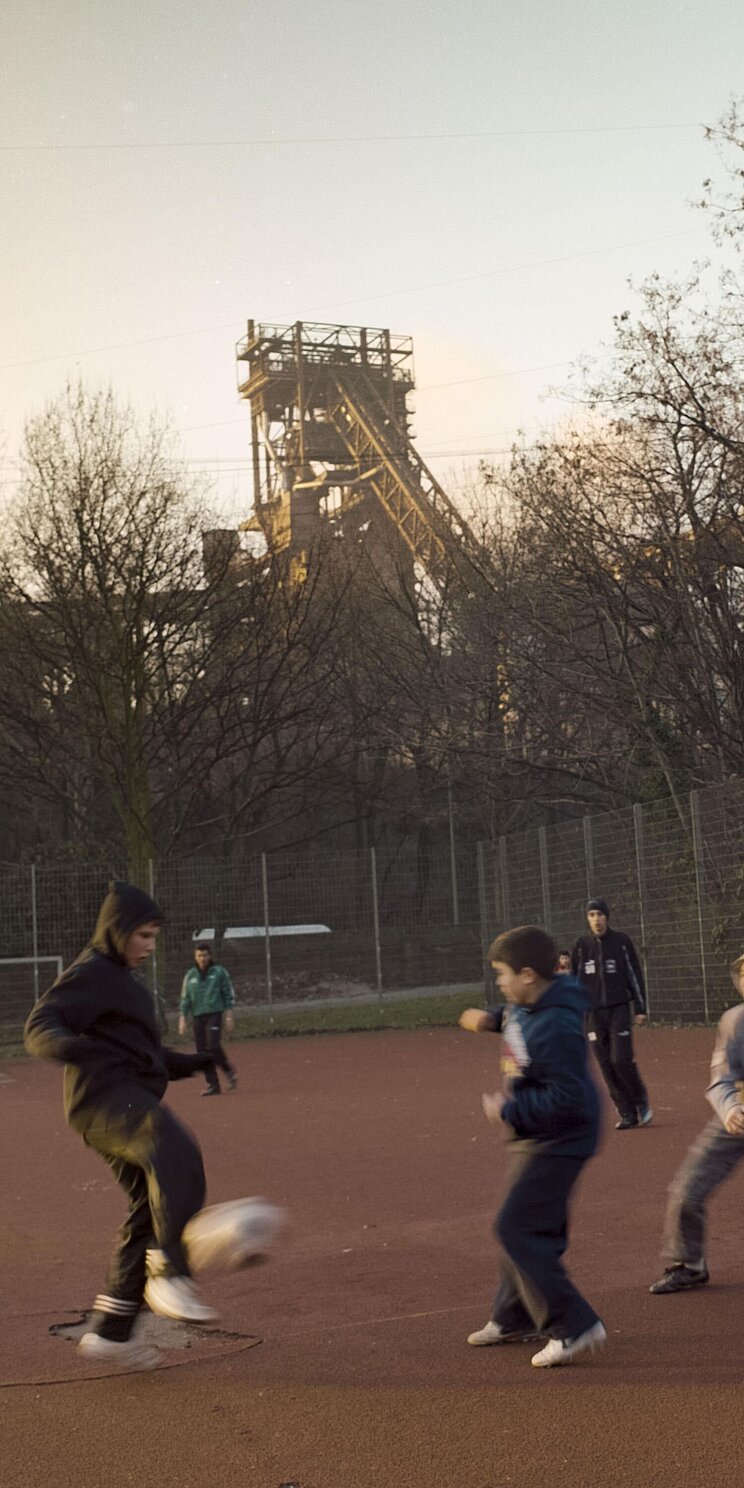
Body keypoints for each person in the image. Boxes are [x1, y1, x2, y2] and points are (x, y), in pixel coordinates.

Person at [24, 881, 221, 1371]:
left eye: (154, 937)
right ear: (117, 932)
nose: (150, 947)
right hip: (104, 1103)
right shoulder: (92, 972)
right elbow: (40, 1023)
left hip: (122, 1100)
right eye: (143, 936)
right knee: (175, 1149)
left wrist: (197, 1060)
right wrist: (71, 1046)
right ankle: (170, 1271)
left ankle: (112, 1331)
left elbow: (143, 1057)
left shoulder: (125, 983)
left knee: (145, 1210)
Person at [458, 925, 605, 1368]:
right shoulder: (532, 1003)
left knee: (515, 1227)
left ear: (526, 974)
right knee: (527, 1227)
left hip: (561, 1137)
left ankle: (573, 1325)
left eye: (501, 974)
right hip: (538, 1134)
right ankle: (514, 1316)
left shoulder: (556, 1024)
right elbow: (512, 1017)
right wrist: (489, 1018)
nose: (499, 982)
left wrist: (507, 1110)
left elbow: (568, 1099)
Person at [649, 952, 744, 1295]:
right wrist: (730, 1110)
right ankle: (690, 1265)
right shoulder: (735, 1022)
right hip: (738, 1119)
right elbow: (722, 1079)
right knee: (686, 1190)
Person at [571, 897, 652, 1130]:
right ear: (587, 919)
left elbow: (634, 975)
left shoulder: (621, 942)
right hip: (592, 1015)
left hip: (618, 1010)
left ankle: (641, 1100)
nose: (596, 919)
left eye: (599, 914)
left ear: (607, 917)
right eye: (591, 915)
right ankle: (626, 1112)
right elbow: (574, 984)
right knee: (606, 1065)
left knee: (621, 1060)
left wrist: (640, 1007)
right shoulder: (580, 946)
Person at [178, 942, 237, 1096]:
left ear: (209, 956)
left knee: (213, 1045)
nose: (202, 958)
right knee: (202, 1052)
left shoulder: (219, 972)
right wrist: (182, 1018)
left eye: (205, 955)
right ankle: (213, 1084)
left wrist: (229, 1015)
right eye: (199, 955)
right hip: (197, 1016)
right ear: (195, 957)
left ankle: (228, 1071)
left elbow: (227, 994)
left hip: (214, 1013)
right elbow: (185, 999)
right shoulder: (190, 975)